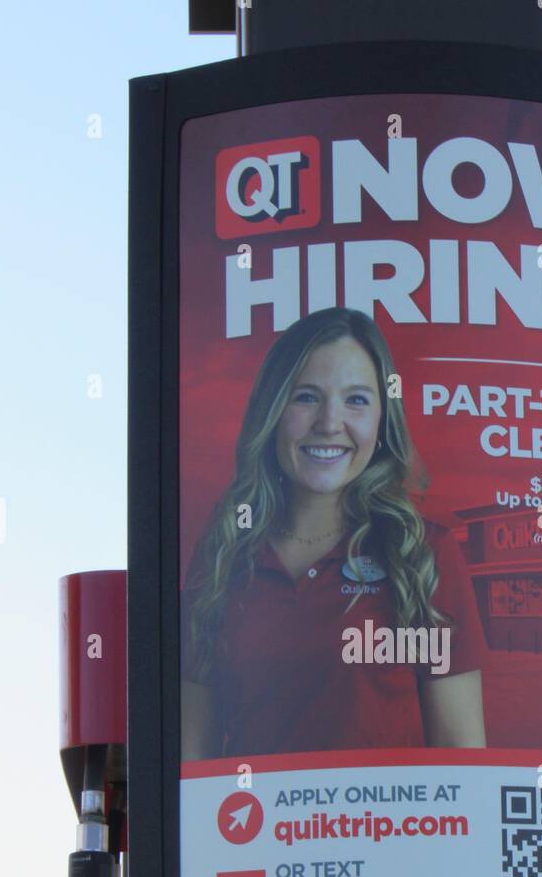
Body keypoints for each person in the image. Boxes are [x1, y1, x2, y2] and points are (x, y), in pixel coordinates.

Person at [181, 307, 486, 758]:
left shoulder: (422, 554)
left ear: (383, 420)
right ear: (273, 409)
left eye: (356, 400)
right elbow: (192, 759)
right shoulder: (224, 554)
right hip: (254, 828)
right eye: (306, 397)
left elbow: (462, 751)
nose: (328, 423)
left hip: (396, 829)